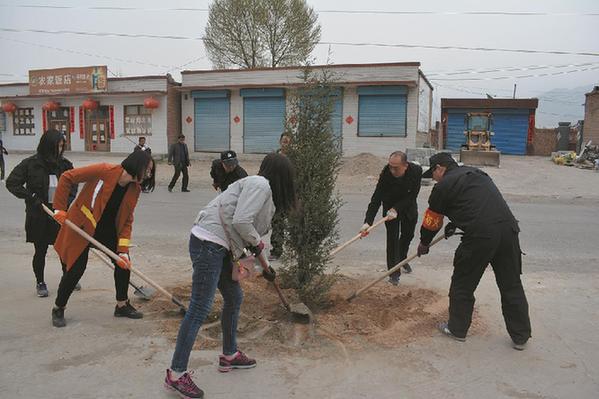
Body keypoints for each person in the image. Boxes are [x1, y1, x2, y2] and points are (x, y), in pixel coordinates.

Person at [164, 153, 296, 399]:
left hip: (220, 246)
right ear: (282, 177)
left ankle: (229, 355)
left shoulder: (262, 191)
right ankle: (176, 374)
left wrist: (265, 267)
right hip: (208, 243)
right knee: (199, 308)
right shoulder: (260, 184)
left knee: (234, 298)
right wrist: (258, 247)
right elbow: (242, 222)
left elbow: (246, 233)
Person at [416, 152, 531, 350]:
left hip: (480, 236)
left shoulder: (443, 186)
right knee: (511, 284)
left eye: (432, 173)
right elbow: (479, 205)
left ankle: (457, 329)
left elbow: (432, 221)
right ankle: (521, 336)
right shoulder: (477, 174)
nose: (433, 178)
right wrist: (456, 222)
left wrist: (424, 243)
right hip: (508, 231)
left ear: (440, 168)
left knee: (463, 283)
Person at [49, 151, 156, 328]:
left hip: (107, 231)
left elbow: (127, 219)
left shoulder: (133, 189)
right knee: (76, 269)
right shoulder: (103, 170)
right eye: (148, 170)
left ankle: (121, 305)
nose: (148, 175)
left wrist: (123, 251)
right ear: (137, 166)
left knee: (123, 265)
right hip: (82, 227)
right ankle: (58, 308)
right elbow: (67, 177)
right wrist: (60, 209)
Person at [6, 130, 76, 297]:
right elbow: (12, 183)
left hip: (59, 214)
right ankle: (40, 282)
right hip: (38, 215)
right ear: (47, 146)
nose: (59, 150)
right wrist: (31, 198)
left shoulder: (65, 165)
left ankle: (68, 278)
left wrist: (65, 205)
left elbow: (73, 185)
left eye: (61, 146)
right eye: (57, 146)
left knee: (63, 249)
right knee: (40, 250)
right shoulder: (30, 164)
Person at [360, 151, 422, 285]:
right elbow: (376, 199)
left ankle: (402, 259)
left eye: (396, 167)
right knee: (392, 240)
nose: (392, 170)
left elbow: (412, 196)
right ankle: (393, 273)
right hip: (389, 209)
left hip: (408, 206)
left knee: (408, 235)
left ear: (405, 165)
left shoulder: (416, 171)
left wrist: (397, 208)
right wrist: (367, 222)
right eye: (390, 166)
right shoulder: (386, 174)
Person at [269, 132, 293, 260]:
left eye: (288, 141)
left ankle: (296, 250)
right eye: (284, 140)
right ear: (280, 141)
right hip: (277, 196)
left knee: (295, 223)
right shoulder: (274, 157)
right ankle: (276, 251)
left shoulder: (295, 157)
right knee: (277, 223)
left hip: (291, 196)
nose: (285, 143)